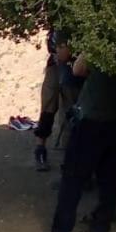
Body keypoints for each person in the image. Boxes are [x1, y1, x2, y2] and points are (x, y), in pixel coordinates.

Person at [32, 51, 116, 232]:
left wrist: (88, 48)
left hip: (93, 117)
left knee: (73, 177)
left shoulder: (106, 39)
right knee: (109, 177)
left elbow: (78, 69)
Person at [33, 33, 78, 170]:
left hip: (72, 69)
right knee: (48, 109)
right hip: (56, 67)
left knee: (73, 111)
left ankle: (72, 155)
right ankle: (40, 150)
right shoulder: (58, 26)